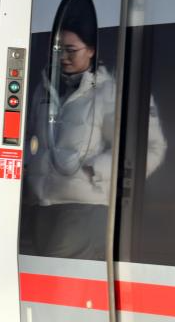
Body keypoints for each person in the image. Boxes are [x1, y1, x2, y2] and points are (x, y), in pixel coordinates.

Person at [25, 15, 166, 260]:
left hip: (84, 207)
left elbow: (152, 147)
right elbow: (32, 138)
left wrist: (96, 170)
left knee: (58, 273)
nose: (63, 57)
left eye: (71, 50)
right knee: (42, 274)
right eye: (58, 50)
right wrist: (28, 164)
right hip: (42, 204)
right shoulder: (44, 88)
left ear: (91, 50)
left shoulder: (110, 92)